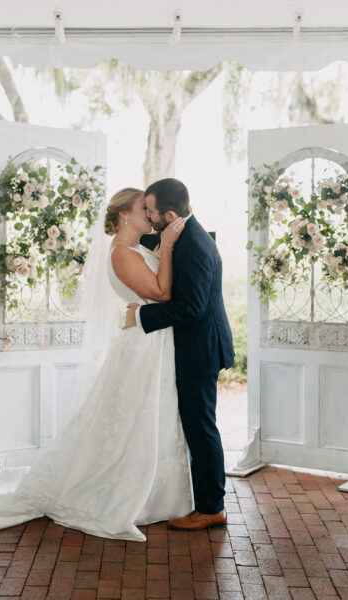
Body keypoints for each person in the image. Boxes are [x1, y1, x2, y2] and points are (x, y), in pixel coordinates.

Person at [0, 187, 193, 541]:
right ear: (125, 214)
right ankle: (120, 492)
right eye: (144, 208)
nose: (150, 213)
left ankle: (164, 493)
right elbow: (160, 293)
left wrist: (163, 250)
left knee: (154, 414)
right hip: (142, 346)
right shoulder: (121, 254)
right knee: (133, 417)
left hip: (155, 341)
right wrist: (168, 249)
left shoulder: (141, 248)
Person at [124, 178, 235, 531]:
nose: (149, 218)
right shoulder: (182, 235)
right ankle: (206, 501)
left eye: (152, 212)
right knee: (197, 424)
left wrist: (141, 315)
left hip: (201, 349)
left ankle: (210, 507)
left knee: (201, 428)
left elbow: (191, 307)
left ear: (170, 214)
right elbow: (141, 243)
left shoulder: (194, 245)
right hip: (196, 345)